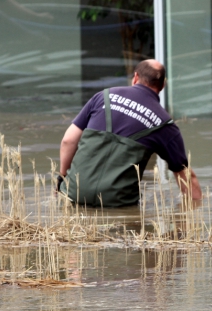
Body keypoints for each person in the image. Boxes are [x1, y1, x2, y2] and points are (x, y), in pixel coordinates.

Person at [59, 59, 202, 207]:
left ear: (135, 77)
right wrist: (194, 214)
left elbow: (68, 141)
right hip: (117, 203)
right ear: (162, 85)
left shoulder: (104, 96)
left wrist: (62, 179)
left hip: (73, 193)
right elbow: (187, 178)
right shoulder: (165, 124)